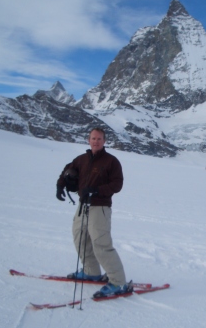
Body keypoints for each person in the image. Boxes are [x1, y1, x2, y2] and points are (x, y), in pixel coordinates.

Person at [56, 127, 130, 297]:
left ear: (104, 141)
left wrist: (96, 190)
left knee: (101, 244)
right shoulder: (81, 159)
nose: (96, 141)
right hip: (83, 206)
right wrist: (60, 185)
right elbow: (67, 170)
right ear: (88, 140)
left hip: (100, 207)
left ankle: (118, 282)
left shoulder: (111, 161)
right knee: (80, 238)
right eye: (93, 138)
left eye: (99, 139)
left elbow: (117, 184)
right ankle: (91, 272)